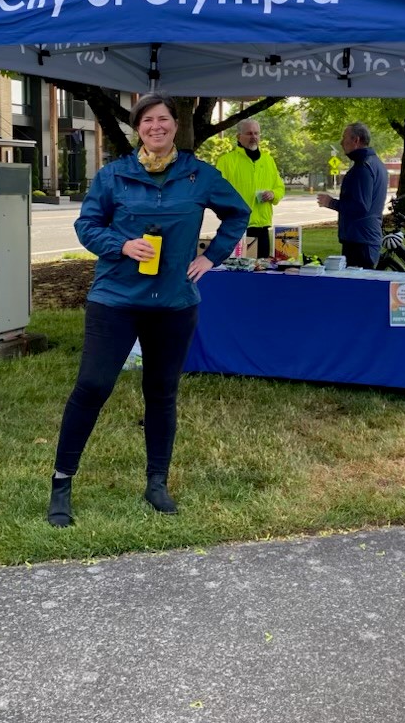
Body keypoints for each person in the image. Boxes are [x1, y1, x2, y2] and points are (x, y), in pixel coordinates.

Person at [47, 94, 249, 527]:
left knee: (161, 392)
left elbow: (238, 213)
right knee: (92, 387)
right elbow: (86, 225)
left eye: (163, 119)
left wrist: (211, 257)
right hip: (115, 299)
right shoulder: (114, 175)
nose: (156, 126)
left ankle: (157, 483)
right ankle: (61, 483)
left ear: (175, 125)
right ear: (137, 128)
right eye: (147, 121)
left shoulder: (199, 174)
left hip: (174, 303)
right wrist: (120, 245)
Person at [315, 122, 388, 268]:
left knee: (357, 280)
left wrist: (331, 202)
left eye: (344, 138)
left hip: (360, 240)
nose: (341, 142)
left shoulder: (363, 168)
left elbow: (360, 206)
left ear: (356, 140)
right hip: (364, 237)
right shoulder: (375, 163)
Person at [216, 118, 285, 258]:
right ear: (238, 137)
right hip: (237, 227)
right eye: (249, 133)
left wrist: (273, 194)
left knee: (263, 268)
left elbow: (280, 187)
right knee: (238, 269)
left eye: (256, 133)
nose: (253, 137)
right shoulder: (226, 161)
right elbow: (217, 192)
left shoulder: (268, 160)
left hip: (262, 226)